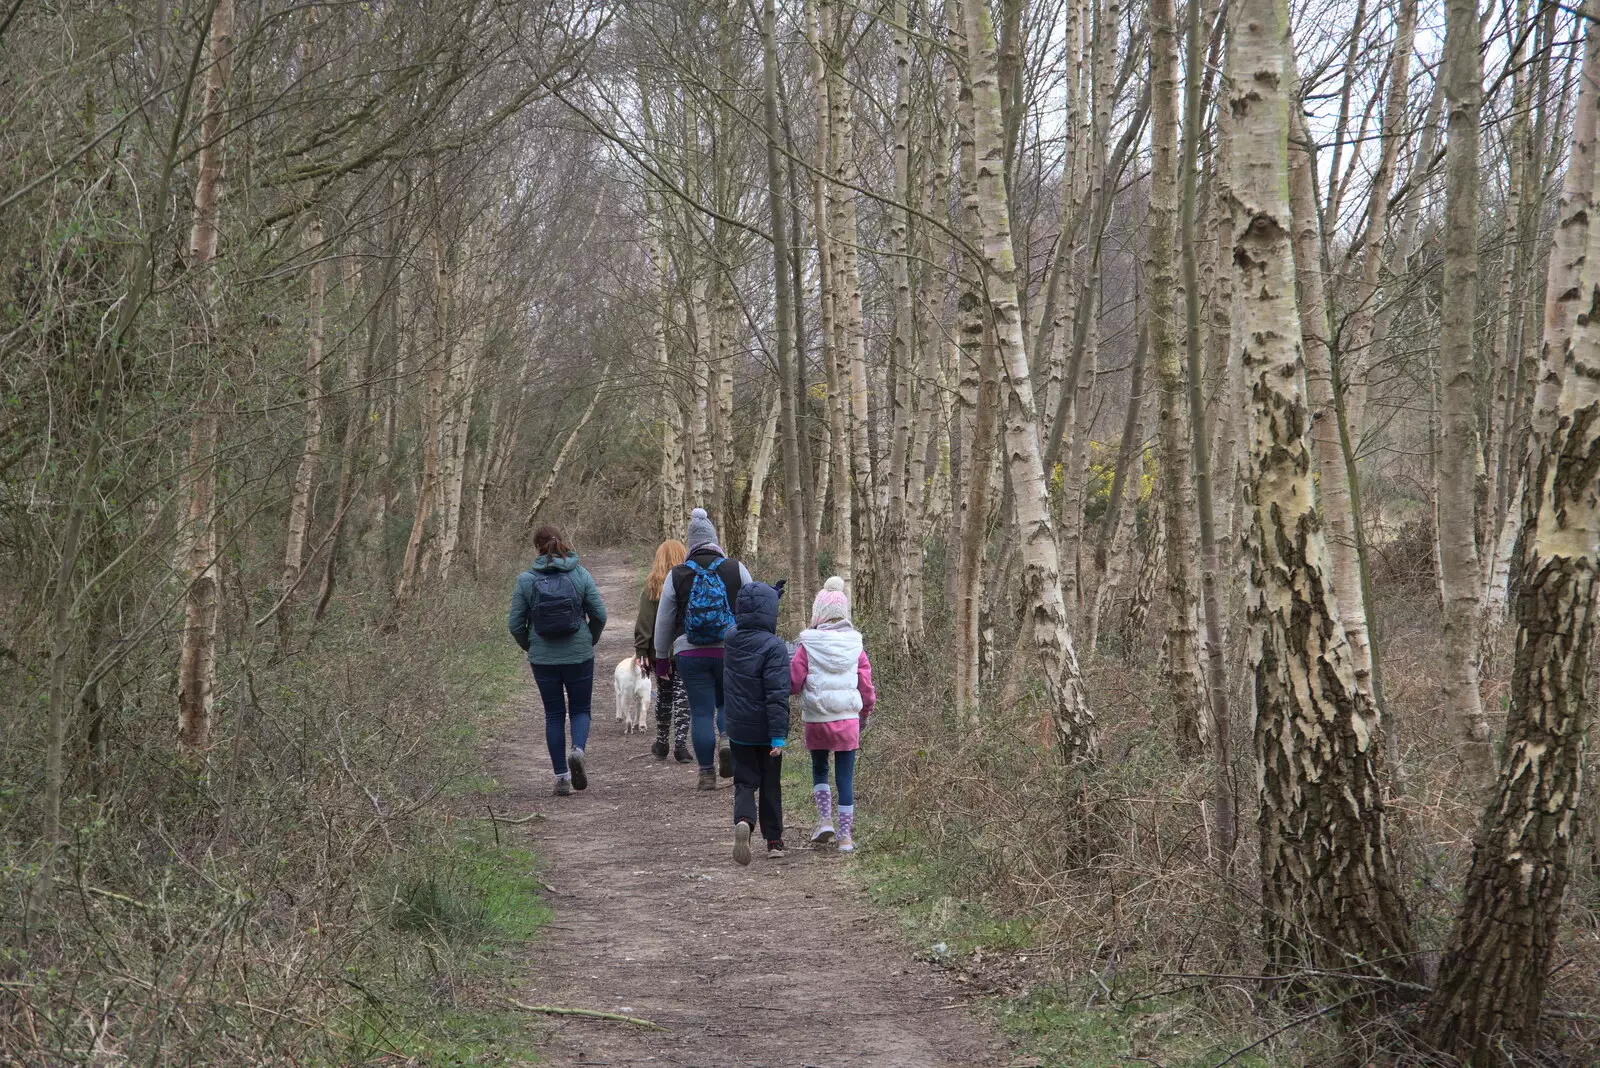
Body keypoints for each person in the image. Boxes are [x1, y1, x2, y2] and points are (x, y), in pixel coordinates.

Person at [652, 508, 753, 791]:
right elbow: (754, 606)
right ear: (714, 539)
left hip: (690, 653)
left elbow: (663, 621)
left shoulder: (677, 574)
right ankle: (726, 739)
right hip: (730, 650)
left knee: (700, 711)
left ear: (691, 543)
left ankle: (706, 773)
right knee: (726, 704)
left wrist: (662, 658)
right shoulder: (736, 568)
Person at [508, 525, 607, 796]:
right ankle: (577, 750)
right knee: (580, 709)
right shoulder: (579, 574)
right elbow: (599, 613)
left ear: (537, 548)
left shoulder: (526, 580)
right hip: (579, 655)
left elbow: (515, 624)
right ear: (561, 543)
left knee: (553, 715)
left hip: (543, 659)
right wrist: (590, 638)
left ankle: (562, 778)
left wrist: (531, 647)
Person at [789, 576, 875, 852]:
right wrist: (866, 711)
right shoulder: (856, 646)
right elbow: (866, 686)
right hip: (848, 719)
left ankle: (825, 821)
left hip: (817, 718)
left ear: (818, 613)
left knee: (819, 768)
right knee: (845, 777)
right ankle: (846, 837)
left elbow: (794, 682)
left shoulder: (807, 645)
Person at [722, 580, 792, 863]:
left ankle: (743, 820)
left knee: (744, 781)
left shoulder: (730, 639)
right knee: (771, 784)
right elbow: (777, 695)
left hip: (738, 728)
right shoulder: (775, 647)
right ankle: (774, 841)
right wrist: (778, 735)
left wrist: (770, 595)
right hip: (766, 731)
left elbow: (748, 617)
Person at [634, 539, 692, 762]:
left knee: (664, 695)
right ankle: (680, 745)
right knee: (682, 696)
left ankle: (661, 742)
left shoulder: (652, 586)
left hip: (660, 653)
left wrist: (642, 651)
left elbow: (644, 623)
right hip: (685, 648)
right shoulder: (688, 584)